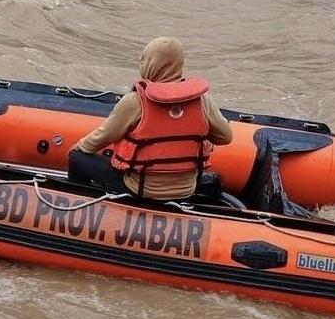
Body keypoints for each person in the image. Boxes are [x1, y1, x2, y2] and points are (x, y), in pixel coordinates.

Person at [67, 36, 234, 201]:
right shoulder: (202, 101)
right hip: (187, 190)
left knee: (77, 157)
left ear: (150, 63)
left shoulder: (135, 101)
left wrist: (77, 148)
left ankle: (79, 207)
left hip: (140, 189)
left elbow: (99, 139)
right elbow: (225, 137)